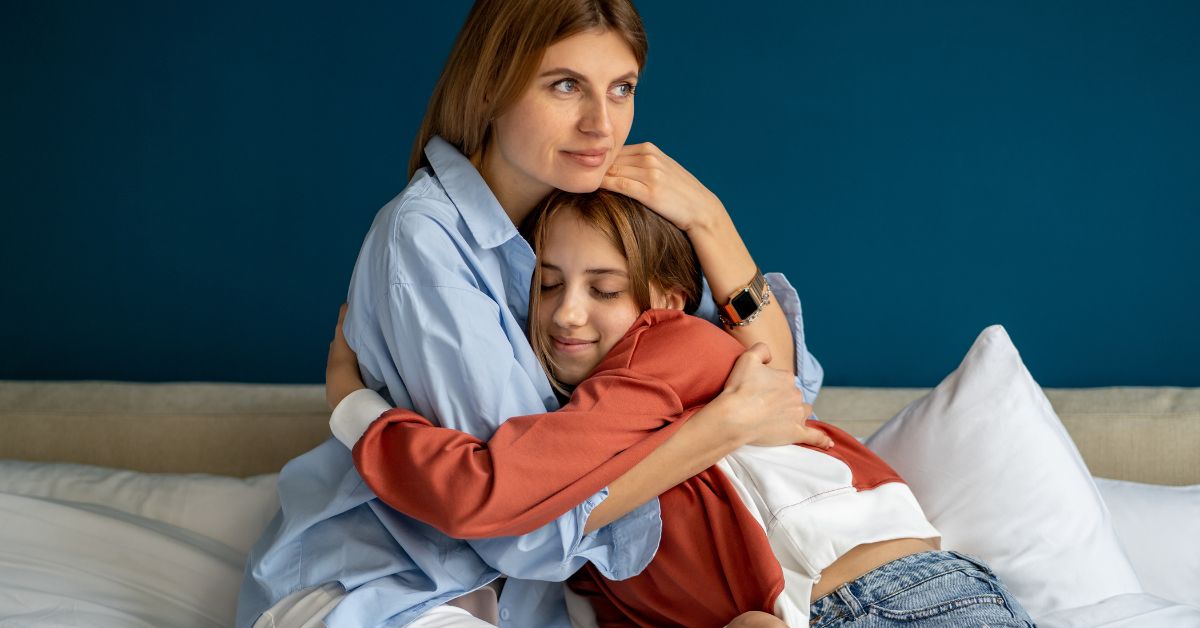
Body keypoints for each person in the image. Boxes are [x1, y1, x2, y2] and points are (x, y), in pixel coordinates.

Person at [238, 1, 827, 626]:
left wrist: (710, 220)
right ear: (492, 84)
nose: (601, 124)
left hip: (531, 603)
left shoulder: (591, 211)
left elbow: (780, 393)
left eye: (621, 88)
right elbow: (516, 520)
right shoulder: (425, 237)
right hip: (385, 584)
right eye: (566, 85)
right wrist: (714, 433)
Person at [328, 190, 1036, 627]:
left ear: (659, 300)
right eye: (547, 286)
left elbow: (489, 487)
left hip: (896, 601)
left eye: (604, 289)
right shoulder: (582, 444)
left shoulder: (669, 347)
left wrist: (356, 408)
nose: (567, 313)